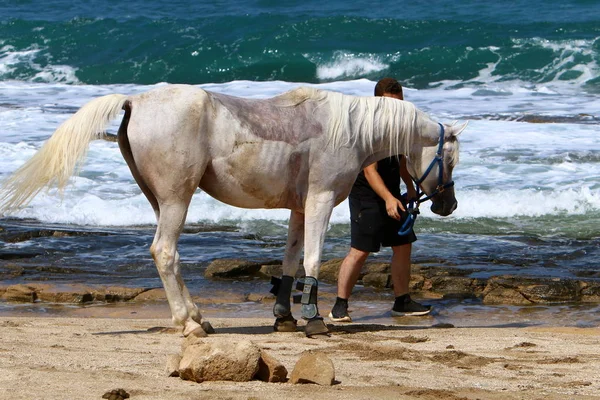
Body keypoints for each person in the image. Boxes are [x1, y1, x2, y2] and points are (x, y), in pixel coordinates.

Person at [329, 77, 431, 323]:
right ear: (377, 102)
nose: (395, 109)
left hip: (391, 194)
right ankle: (339, 305)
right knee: (360, 251)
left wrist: (409, 186)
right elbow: (369, 170)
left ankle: (402, 301)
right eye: (390, 104)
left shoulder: (399, 126)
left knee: (403, 245)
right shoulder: (369, 127)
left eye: (399, 103)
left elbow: (401, 160)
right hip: (366, 195)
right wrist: (387, 198)